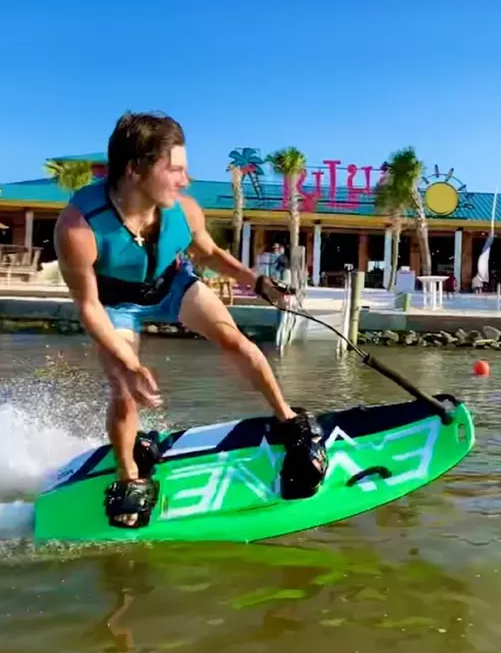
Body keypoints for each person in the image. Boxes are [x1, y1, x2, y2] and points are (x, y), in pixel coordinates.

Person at [54, 111, 327, 529]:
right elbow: (89, 306)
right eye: (175, 169)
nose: (186, 179)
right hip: (116, 304)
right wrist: (128, 362)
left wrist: (257, 281)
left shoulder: (183, 210)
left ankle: (289, 420)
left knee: (235, 341)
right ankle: (128, 476)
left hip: (172, 284)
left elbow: (209, 255)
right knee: (124, 388)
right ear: (135, 169)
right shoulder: (79, 226)